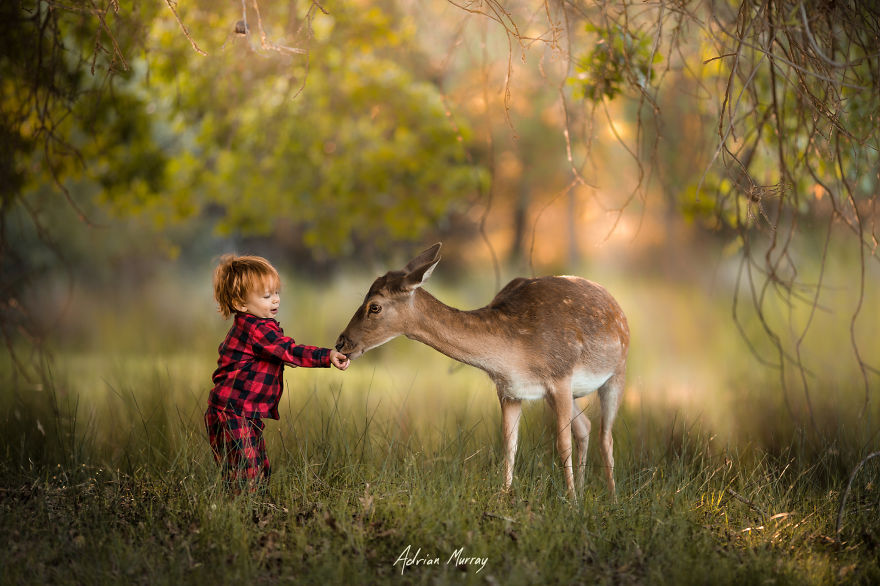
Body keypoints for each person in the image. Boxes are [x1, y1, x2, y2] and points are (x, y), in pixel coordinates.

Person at [205, 254, 350, 493]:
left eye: (276, 293)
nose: (276, 300)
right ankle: (242, 516)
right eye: (266, 296)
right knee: (246, 472)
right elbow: (289, 350)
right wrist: (328, 356)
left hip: (245, 412)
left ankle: (254, 512)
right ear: (240, 304)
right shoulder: (254, 329)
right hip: (231, 413)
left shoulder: (261, 327)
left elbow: (281, 351)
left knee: (259, 468)